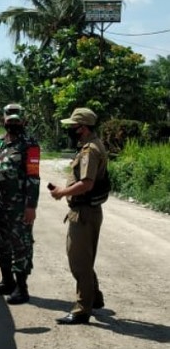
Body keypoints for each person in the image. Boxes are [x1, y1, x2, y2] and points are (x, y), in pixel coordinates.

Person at [50, 107, 109, 325]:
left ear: (82, 128)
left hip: (83, 213)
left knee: (79, 261)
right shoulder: (91, 145)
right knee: (85, 257)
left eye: (73, 127)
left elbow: (87, 183)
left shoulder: (89, 151)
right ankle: (95, 297)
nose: (70, 130)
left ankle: (83, 308)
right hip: (87, 211)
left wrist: (61, 193)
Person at [0, 103, 40, 305]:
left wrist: (31, 206)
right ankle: (7, 282)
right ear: (3, 120)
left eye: (16, 119)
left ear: (24, 121)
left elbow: (34, 177)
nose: (13, 122)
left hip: (19, 208)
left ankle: (22, 288)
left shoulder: (30, 145)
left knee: (20, 245)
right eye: (9, 119)